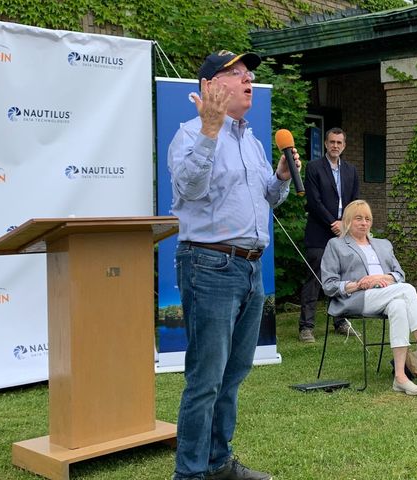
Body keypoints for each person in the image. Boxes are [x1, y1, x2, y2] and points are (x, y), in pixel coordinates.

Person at [168, 50, 300, 480]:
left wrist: (280, 177)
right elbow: (188, 189)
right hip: (208, 265)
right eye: (238, 74)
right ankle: (189, 474)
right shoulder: (189, 134)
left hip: (249, 268)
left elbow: (268, 200)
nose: (249, 80)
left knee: (233, 374)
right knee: (205, 380)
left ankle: (218, 463)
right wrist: (209, 129)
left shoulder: (253, 140)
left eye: (251, 74)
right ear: (210, 87)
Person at [320, 200, 417, 395]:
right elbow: (329, 285)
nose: (364, 223)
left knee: (400, 305)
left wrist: (383, 278)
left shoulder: (383, 244)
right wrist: (358, 283)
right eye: (358, 218)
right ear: (348, 221)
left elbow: (399, 274)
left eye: (368, 219)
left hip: (388, 293)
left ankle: (400, 377)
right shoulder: (336, 245)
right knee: (408, 290)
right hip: (358, 297)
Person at [299, 127, 359, 343]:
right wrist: (332, 222)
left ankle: (340, 321)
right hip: (319, 231)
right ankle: (306, 327)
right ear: (325, 144)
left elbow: (355, 200)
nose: (335, 146)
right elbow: (313, 201)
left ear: (344, 146)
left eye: (339, 143)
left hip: (344, 232)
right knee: (314, 278)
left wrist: (346, 223)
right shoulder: (314, 168)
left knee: (342, 278)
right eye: (332, 142)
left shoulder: (351, 170)